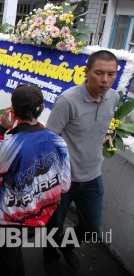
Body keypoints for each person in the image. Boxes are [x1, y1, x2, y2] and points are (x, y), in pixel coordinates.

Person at [0, 84, 71, 276]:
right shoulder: (58, 141)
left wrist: (2, 128)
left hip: (8, 218)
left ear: (13, 111)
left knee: (6, 264)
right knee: (14, 254)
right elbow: (65, 183)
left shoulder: (9, 144)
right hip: (38, 215)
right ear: (43, 108)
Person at [43, 50, 120, 276]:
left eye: (111, 74)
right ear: (86, 72)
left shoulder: (113, 97)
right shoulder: (68, 100)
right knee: (54, 225)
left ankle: (67, 245)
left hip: (92, 175)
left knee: (92, 227)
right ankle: (49, 255)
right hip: (63, 178)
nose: (105, 79)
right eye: (99, 73)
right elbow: (50, 139)